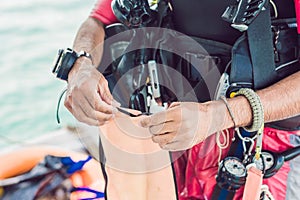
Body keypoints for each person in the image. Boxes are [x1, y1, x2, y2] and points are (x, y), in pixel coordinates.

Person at [61, 0, 300, 199]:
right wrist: (81, 66)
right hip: (175, 131)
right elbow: (99, 19)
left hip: (264, 146)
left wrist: (223, 114)